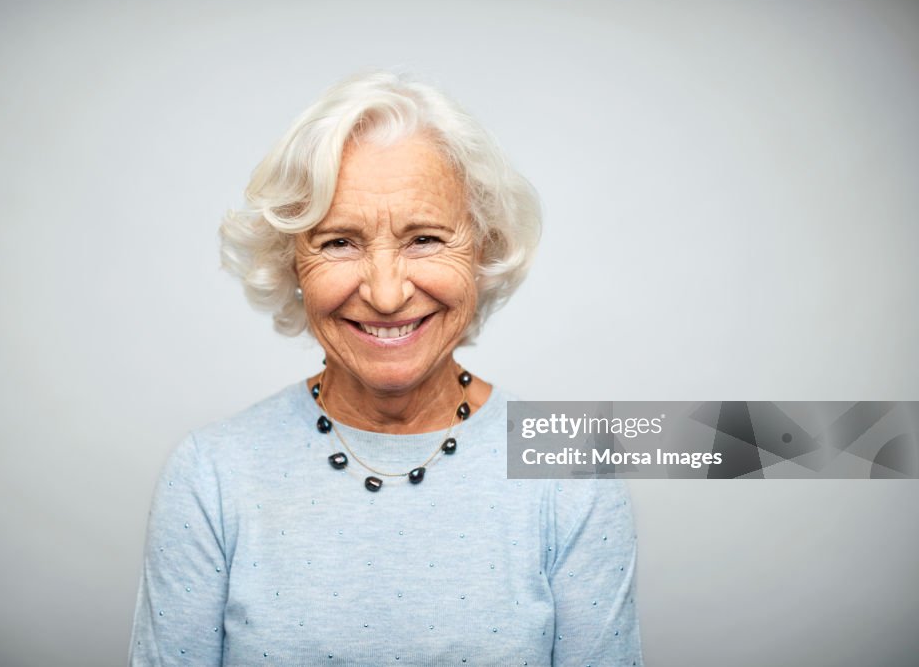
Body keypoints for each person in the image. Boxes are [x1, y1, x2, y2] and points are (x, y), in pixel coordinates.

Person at [129, 71, 643, 665]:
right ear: (290, 263)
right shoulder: (210, 477)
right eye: (339, 242)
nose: (386, 292)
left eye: (424, 238)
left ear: (483, 250)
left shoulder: (572, 476)